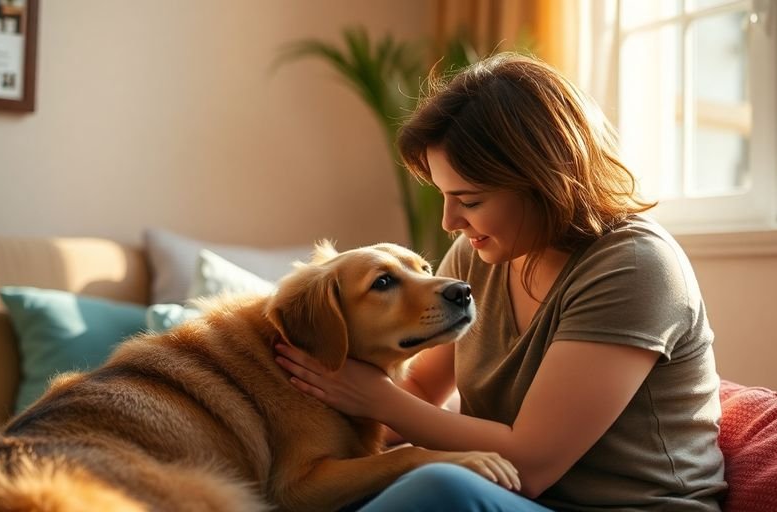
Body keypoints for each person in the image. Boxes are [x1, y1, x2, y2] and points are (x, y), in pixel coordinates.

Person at [275, 52, 727, 511]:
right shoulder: (481, 252)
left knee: (437, 488)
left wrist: (379, 402)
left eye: (468, 200)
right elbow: (422, 391)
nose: (450, 221)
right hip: (508, 495)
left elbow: (528, 468)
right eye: (445, 197)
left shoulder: (633, 267)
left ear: (542, 181)